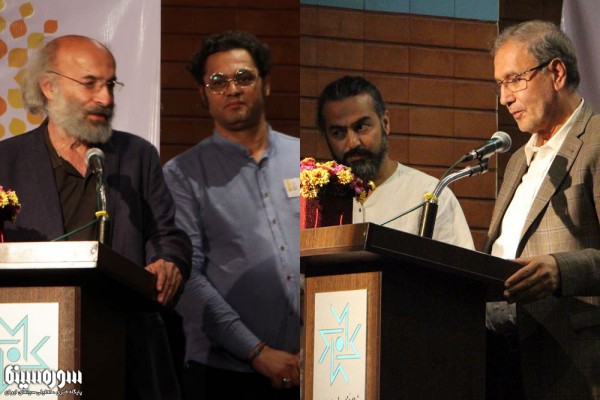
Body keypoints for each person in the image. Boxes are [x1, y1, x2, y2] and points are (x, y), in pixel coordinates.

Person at [0, 35, 191, 399]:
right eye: (90, 84)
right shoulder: (6, 161)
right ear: (49, 87)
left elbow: (167, 234)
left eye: (110, 84)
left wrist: (169, 261)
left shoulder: (137, 156)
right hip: (30, 350)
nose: (106, 98)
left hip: (130, 353)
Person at [162, 31, 300, 400]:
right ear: (203, 94)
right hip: (224, 375)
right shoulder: (181, 174)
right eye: (218, 82)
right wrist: (257, 352)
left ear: (265, 85)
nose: (233, 89)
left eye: (243, 77)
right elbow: (186, 277)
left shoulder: (304, 159)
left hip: (315, 365)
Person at [485, 20, 600, 399]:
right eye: (499, 84)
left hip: (575, 363)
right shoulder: (518, 159)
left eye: (515, 79)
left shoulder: (597, 141)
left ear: (557, 73)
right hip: (503, 355)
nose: (505, 98)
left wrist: (560, 270)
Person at [317, 75, 474, 249]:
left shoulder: (431, 196)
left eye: (361, 127)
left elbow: (458, 266)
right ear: (325, 137)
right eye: (338, 133)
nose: (352, 143)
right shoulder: (315, 205)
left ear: (385, 123)